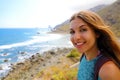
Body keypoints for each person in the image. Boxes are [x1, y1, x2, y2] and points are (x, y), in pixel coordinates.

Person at [69, 10, 120, 80]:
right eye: (72, 32)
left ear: (97, 33)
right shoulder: (84, 57)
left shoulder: (108, 70)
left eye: (83, 30)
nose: (76, 37)